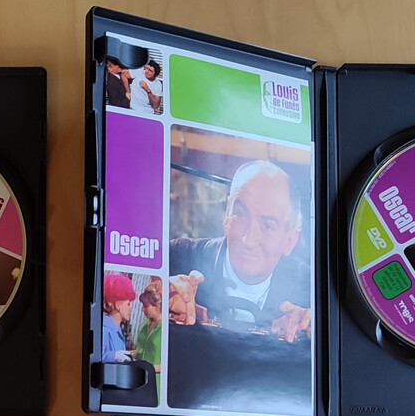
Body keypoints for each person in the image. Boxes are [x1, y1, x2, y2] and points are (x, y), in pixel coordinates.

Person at [168, 160, 311, 339]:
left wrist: (315, 327)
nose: (248, 241)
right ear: (226, 214)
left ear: (289, 241)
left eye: (268, 226)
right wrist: (160, 294)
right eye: (240, 215)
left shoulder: (312, 292)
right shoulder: (175, 258)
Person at [102, 273, 136, 362]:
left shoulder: (117, 329)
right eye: (128, 304)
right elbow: (96, 356)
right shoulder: (104, 329)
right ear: (118, 305)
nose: (130, 308)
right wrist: (114, 356)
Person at [135, 281, 163, 380]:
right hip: (140, 378)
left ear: (157, 307)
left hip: (156, 380)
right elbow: (139, 350)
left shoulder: (166, 328)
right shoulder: (145, 324)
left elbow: (171, 363)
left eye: (145, 306)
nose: (142, 309)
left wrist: (148, 369)